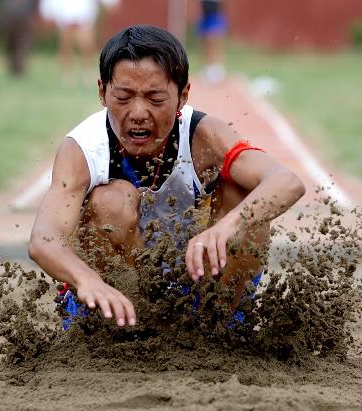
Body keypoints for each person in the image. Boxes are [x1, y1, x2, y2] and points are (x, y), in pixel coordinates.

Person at [29, 25, 305, 330]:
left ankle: (222, 324)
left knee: (245, 194)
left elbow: (286, 181)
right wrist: (87, 279)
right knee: (111, 201)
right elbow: (44, 239)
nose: (138, 112)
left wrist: (228, 226)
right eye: (123, 97)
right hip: (111, 287)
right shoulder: (82, 148)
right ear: (102, 92)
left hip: (192, 281)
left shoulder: (204, 136)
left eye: (155, 99)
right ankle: (114, 323)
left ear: (183, 95)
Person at [39, 0, 120, 84]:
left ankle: (88, 71)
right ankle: (67, 73)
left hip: (84, 13)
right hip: (65, 13)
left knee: (86, 44)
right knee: (66, 45)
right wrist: (47, 11)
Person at [196, 0, 228, 83]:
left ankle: (217, 69)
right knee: (205, 44)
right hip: (205, 14)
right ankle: (208, 68)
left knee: (214, 42)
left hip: (214, 13)